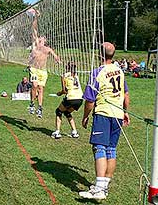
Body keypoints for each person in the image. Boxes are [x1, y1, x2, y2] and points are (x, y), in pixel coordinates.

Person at [79, 42, 130, 200]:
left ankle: (99, 189)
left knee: (99, 148)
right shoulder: (119, 71)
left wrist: (85, 116)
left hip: (103, 113)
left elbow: (89, 101)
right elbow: (126, 94)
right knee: (111, 149)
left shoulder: (97, 72)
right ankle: (103, 186)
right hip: (117, 114)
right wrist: (125, 112)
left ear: (99, 54)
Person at [27, 8, 60, 118]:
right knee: (35, 85)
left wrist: (58, 60)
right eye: (40, 37)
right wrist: (36, 17)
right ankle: (32, 104)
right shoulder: (36, 45)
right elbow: (34, 30)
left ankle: (39, 108)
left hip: (43, 71)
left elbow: (55, 56)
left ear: (45, 41)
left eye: (43, 38)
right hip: (34, 69)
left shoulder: (47, 49)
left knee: (41, 89)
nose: (41, 38)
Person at [51, 62, 83, 139]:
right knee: (67, 112)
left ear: (67, 68)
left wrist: (59, 93)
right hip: (80, 99)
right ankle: (74, 132)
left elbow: (64, 91)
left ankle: (57, 132)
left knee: (58, 111)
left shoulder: (64, 76)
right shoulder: (76, 76)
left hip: (71, 98)